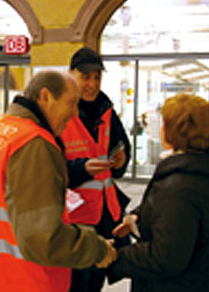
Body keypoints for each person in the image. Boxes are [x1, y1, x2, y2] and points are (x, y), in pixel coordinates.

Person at [0, 70, 117, 292]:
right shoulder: (34, 144)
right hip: (23, 281)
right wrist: (98, 250)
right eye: (71, 103)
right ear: (45, 97)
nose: (75, 113)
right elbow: (44, 238)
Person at [109, 93, 209, 292]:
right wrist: (138, 216)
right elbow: (179, 221)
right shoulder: (205, 168)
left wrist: (117, 256)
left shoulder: (180, 185)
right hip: (198, 279)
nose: (161, 128)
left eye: (165, 123)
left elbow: (165, 258)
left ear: (177, 132)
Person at [60, 47, 131, 292]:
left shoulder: (106, 111)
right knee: (75, 283)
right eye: (86, 77)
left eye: (97, 77)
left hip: (103, 214)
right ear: (71, 75)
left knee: (95, 280)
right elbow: (50, 168)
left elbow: (121, 145)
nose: (92, 84)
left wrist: (121, 159)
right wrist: (82, 169)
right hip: (74, 218)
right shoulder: (60, 112)